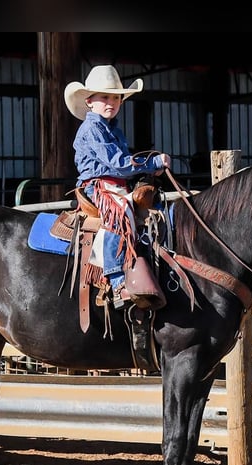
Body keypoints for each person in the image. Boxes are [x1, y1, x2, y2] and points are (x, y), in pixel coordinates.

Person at [64, 64, 170, 310]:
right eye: (104, 97)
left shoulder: (114, 130)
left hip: (116, 183)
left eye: (116, 97)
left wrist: (146, 170)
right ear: (89, 101)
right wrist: (151, 162)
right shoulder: (92, 128)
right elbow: (117, 164)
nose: (111, 102)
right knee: (119, 214)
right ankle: (116, 278)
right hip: (98, 186)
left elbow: (123, 166)